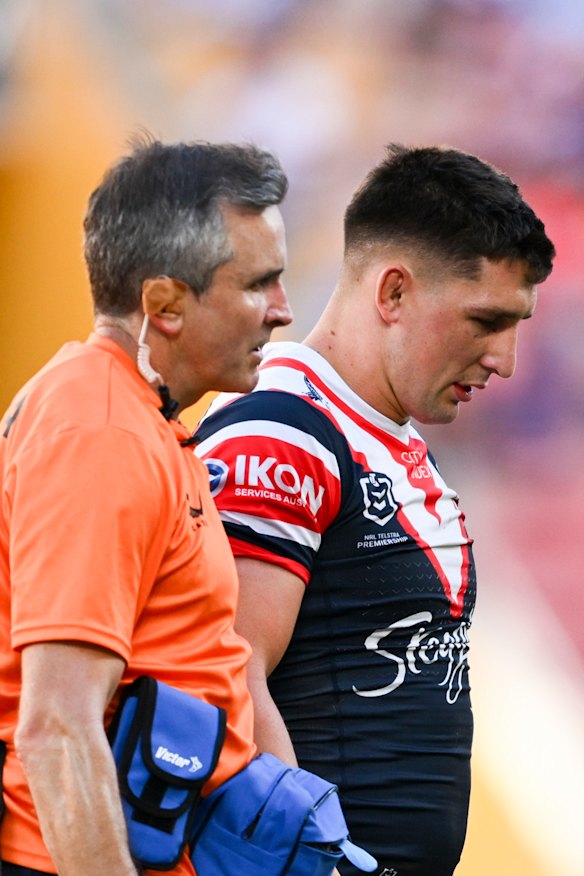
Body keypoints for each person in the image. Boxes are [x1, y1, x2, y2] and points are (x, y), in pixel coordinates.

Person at [194, 144, 556, 876]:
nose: (506, 359)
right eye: (486, 319)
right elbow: (225, 674)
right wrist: (312, 863)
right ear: (392, 293)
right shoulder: (284, 433)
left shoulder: (385, 438)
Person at [0, 136, 292, 876]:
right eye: (260, 283)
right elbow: (57, 727)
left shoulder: (142, 416)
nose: (282, 312)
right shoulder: (100, 429)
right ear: (164, 304)